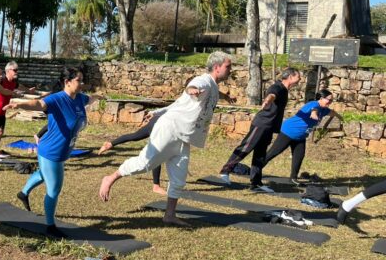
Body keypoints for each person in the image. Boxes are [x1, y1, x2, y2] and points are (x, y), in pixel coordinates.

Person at [99, 52, 234, 226]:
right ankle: (110, 178)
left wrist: (226, 96)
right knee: (144, 164)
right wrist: (192, 90)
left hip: (184, 136)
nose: (230, 70)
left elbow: (180, 103)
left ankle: (169, 215)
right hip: (170, 130)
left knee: (179, 178)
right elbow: (193, 86)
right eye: (228, 66)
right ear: (217, 67)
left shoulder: (213, 86)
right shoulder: (203, 81)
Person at [4, 67, 97, 238]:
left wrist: (98, 97)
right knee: (54, 189)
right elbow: (39, 104)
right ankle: (50, 226)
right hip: (51, 151)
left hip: (61, 151)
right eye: (78, 80)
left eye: (82, 80)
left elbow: (90, 99)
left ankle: (23, 193)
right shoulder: (57, 99)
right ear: (67, 82)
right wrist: (19, 104)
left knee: (43, 174)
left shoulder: (80, 98)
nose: (82, 83)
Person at [219, 67, 302, 193]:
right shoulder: (278, 87)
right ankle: (225, 170)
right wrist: (268, 100)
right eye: (298, 77)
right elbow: (272, 93)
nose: (300, 79)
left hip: (269, 127)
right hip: (262, 124)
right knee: (246, 147)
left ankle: (256, 183)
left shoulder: (284, 90)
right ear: (290, 77)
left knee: (260, 154)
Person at [261, 90, 342, 183]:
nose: (330, 102)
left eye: (332, 100)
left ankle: (293, 178)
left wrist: (340, 117)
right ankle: (255, 170)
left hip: (300, 137)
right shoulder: (313, 104)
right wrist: (314, 113)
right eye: (329, 100)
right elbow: (313, 109)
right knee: (273, 153)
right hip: (289, 132)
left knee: (299, 156)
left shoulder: (324, 109)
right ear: (321, 98)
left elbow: (332, 112)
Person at [0, 61, 36, 163]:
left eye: (17, 70)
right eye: (15, 70)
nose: (16, 72)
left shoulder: (14, 82)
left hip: (2, 112)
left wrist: (28, 90)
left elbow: (19, 86)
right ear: (8, 71)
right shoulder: (1, 80)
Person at [97, 111, 165, 195]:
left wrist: (155, 113)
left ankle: (110, 144)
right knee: (157, 153)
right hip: (158, 124)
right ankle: (156, 186)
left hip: (158, 121)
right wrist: (155, 113)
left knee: (135, 136)